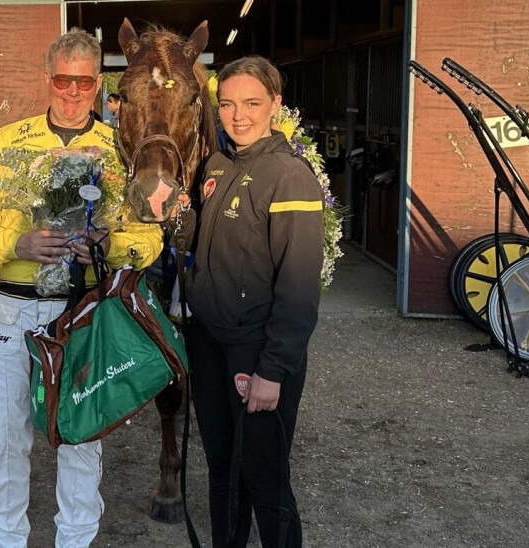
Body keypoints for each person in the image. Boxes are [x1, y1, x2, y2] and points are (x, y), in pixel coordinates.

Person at [0, 29, 163, 548]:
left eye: (83, 81)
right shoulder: (10, 141)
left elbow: (150, 237)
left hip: (84, 312)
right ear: (46, 78)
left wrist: (108, 244)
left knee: (81, 435)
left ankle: (75, 541)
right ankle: (8, 540)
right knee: (6, 439)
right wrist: (18, 242)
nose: (71, 91)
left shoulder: (123, 149)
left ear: (99, 84)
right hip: (14, 311)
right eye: (61, 79)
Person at [187, 56, 324, 548]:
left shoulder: (290, 177)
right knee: (222, 474)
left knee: (266, 482)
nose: (237, 115)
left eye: (251, 103)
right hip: (210, 344)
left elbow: (299, 286)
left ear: (275, 106)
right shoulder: (217, 165)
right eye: (226, 104)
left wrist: (273, 369)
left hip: (257, 353)